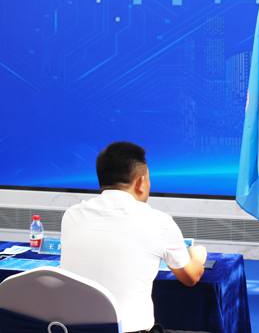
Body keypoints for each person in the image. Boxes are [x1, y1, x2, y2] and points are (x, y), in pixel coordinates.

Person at [60, 142, 207, 333]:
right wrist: (198, 256)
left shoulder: (72, 215)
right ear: (140, 182)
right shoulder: (159, 221)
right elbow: (190, 277)